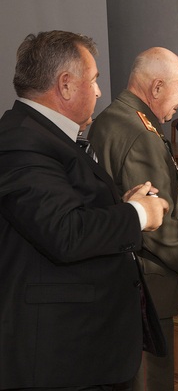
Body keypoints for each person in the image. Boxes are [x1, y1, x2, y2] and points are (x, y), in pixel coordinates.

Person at [0, 31, 168, 390]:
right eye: (92, 80)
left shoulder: (45, 135)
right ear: (65, 85)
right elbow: (64, 232)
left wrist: (122, 205)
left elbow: (62, 210)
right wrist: (139, 215)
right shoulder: (21, 140)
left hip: (85, 346)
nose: (98, 92)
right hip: (63, 356)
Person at [89, 47, 178, 391]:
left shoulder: (110, 118)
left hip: (113, 280)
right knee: (149, 381)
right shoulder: (141, 134)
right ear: (157, 87)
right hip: (143, 288)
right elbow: (155, 222)